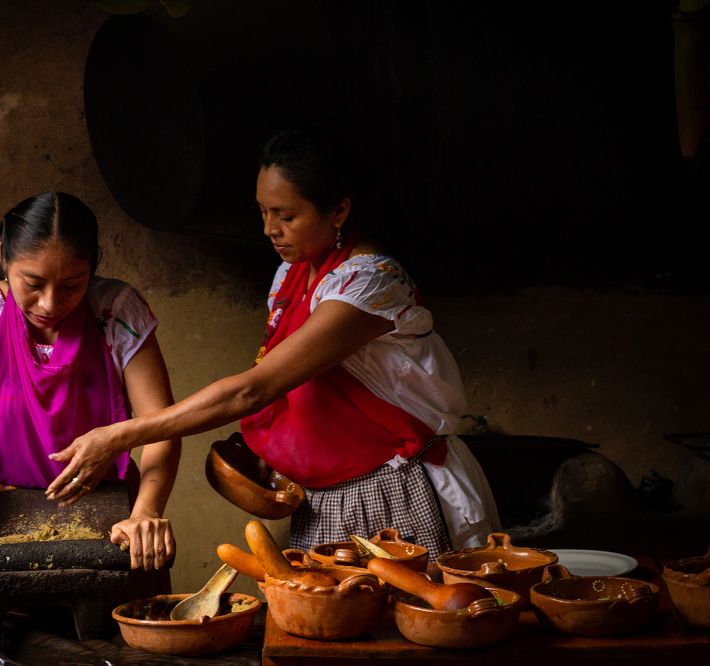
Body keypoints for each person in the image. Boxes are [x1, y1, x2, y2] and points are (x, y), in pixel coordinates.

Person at [46, 128, 500, 557]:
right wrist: (278, 448)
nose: (269, 228)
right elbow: (305, 394)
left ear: (338, 211)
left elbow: (254, 389)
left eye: (287, 215)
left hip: (392, 492)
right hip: (320, 501)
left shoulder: (369, 285)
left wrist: (119, 434)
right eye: (263, 211)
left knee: (410, 610)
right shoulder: (291, 275)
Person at [0, 191, 181, 583]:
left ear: (92, 266)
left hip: (112, 515)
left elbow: (161, 426)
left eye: (72, 285)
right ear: (4, 256)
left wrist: (146, 512)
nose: (50, 303)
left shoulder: (117, 311)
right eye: (32, 283)